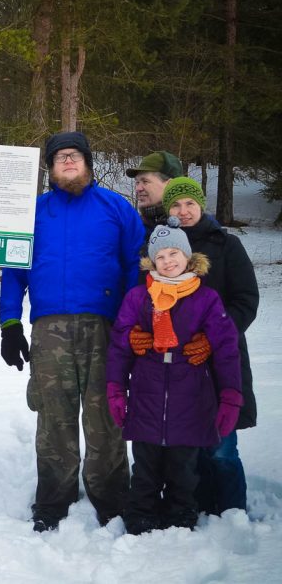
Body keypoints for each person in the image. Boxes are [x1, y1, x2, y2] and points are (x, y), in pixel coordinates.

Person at [0, 131, 144, 532]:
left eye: (74, 155)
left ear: (88, 163)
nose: (67, 161)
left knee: (105, 415)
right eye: (59, 156)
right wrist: (10, 323)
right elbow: (12, 272)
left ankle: (112, 496)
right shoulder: (32, 212)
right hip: (50, 328)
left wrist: (131, 319)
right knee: (54, 416)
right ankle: (54, 498)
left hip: (106, 326)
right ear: (49, 167)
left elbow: (135, 264)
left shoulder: (116, 207)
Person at [106, 219, 241, 534]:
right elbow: (119, 345)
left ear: (187, 256)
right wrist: (116, 388)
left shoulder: (205, 299)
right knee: (146, 468)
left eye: (174, 253)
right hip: (146, 395)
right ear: (152, 261)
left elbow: (226, 348)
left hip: (190, 398)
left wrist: (231, 395)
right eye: (161, 256)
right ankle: (140, 515)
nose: (168, 261)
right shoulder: (139, 297)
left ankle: (181, 516)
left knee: (184, 469)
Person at [159, 177, 258, 514]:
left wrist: (214, 335)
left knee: (222, 443)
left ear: (201, 205)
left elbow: (246, 299)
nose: (183, 211)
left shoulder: (227, 245)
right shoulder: (161, 247)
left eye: (189, 203)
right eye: (175, 204)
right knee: (188, 442)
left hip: (221, 358)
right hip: (178, 360)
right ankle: (199, 505)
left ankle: (231, 511)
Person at [126, 151, 183, 243]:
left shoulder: (192, 227)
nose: (138, 189)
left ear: (169, 185)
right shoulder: (135, 228)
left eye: (145, 181)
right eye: (137, 182)